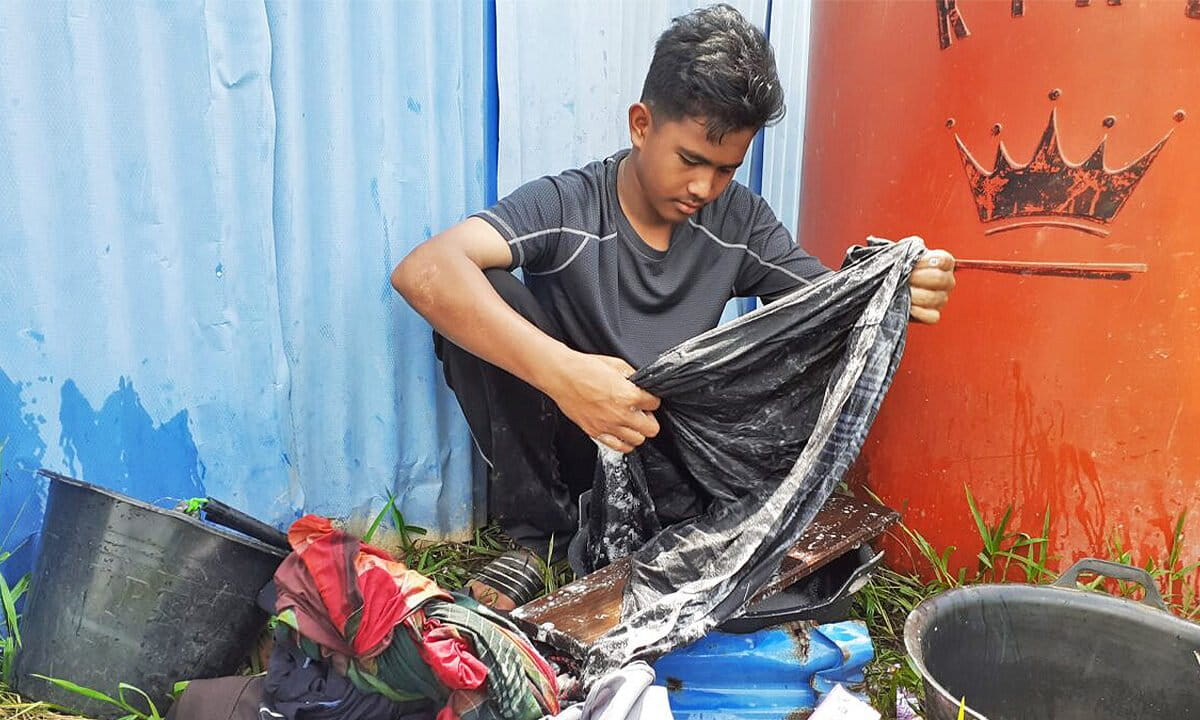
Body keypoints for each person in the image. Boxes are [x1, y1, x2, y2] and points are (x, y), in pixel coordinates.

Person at [392, 4, 955, 609]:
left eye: (725, 169)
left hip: (662, 455)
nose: (703, 189)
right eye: (690, 160)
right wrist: (567, 377)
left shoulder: (739, 221)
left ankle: (669, 534)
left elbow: (825, 309)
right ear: (641, 124)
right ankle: (542, 538)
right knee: (484, 293)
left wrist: (891, 282)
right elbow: (424, 271)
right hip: (572, 440)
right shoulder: (570, 205)